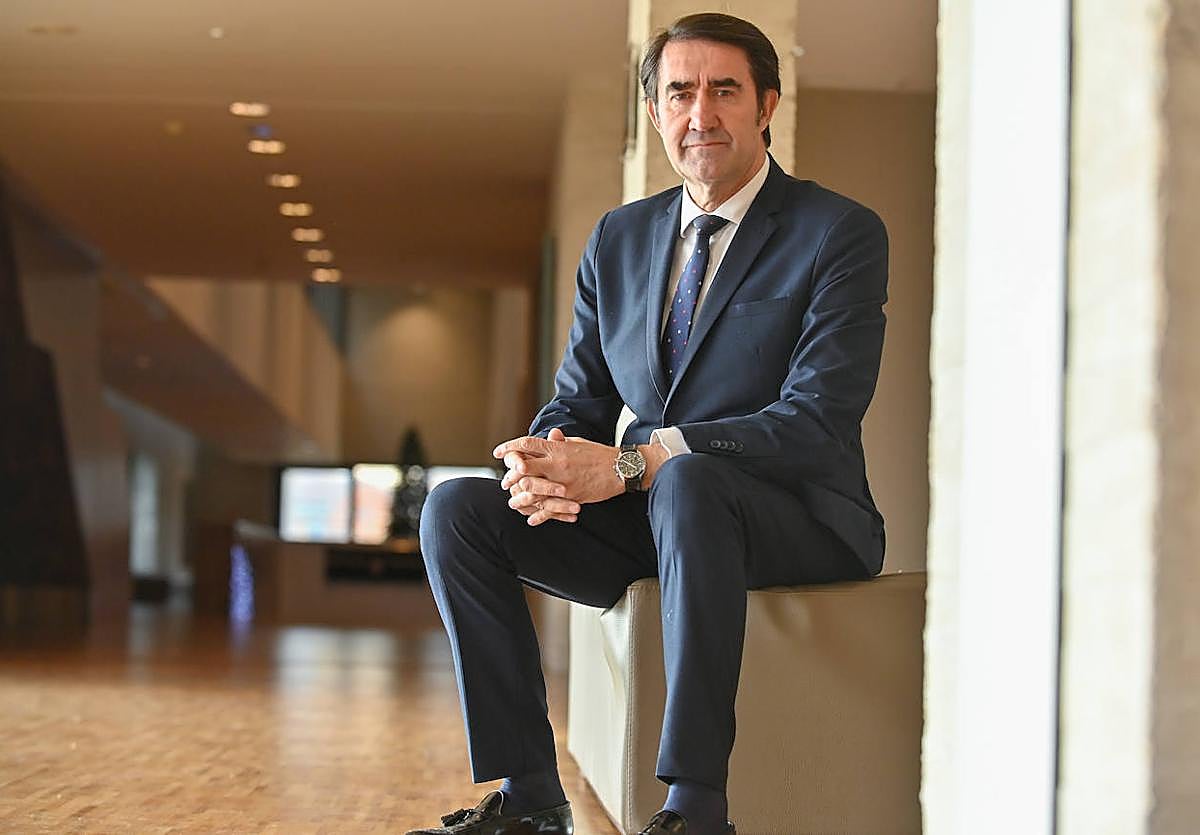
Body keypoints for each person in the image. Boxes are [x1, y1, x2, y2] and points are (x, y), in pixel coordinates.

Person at [410, 12, 888, 835]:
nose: (701, 114)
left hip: (798, 515)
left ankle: (695, 809)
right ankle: (531, 799)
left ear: (767, 105)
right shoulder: (619, 238)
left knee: (689, 479)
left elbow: (817, 419)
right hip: (665, 519)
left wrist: (637, 462)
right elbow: (580, 399)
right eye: (680, 93)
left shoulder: (837, 232)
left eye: (725, 90)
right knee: (457, 508)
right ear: (655, 111)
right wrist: (545, 461)